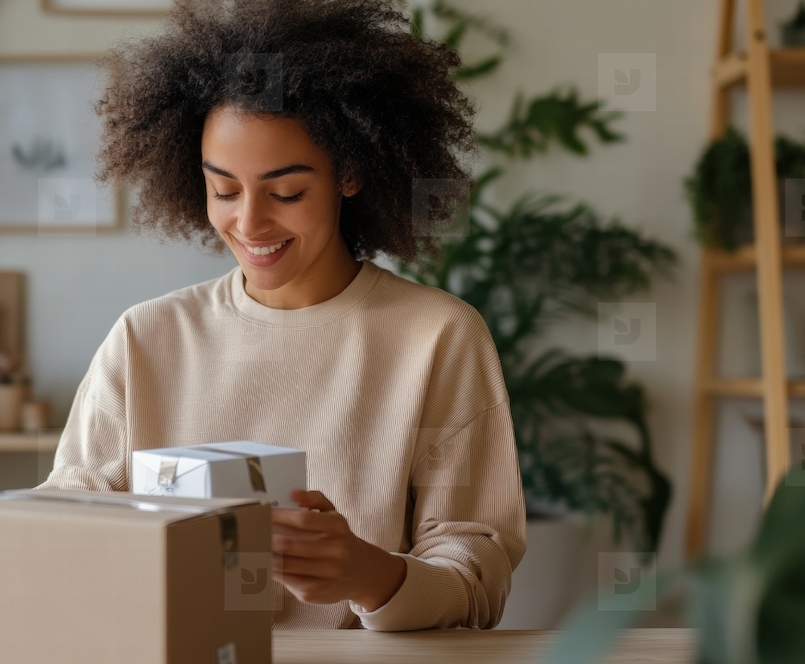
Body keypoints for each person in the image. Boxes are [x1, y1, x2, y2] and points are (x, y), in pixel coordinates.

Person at [35, 0, 525, 631]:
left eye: (286, 192)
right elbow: (62, 522)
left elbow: (477, 577)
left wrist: (366, 573)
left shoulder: (439, 337)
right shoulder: (146, 338)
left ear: (349, 172)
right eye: (224, 190)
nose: (250, 223)